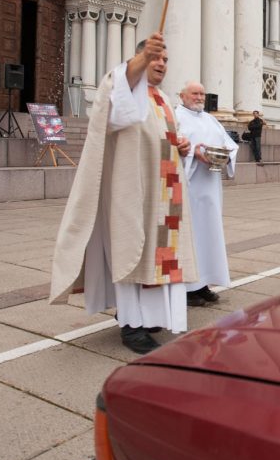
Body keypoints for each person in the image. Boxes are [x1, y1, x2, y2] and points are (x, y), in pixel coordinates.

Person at [49, 33, 197, 355]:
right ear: (139, 59)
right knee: (132, 251)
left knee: (156, 258)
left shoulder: (162, 99)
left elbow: (160, 136)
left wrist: (181, 146)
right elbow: (116, 107)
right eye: (155, 57)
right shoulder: (124, 89)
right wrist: (140, 61)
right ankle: (131, 324)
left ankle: (148, 317)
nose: (161, 64)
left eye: (165, 60)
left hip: (163, 195)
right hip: (133, 193)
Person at [175, 80, 238, 308]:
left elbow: (229, 144)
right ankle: (187, 288)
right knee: (191, 236)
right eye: (194, 93)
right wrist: (194, 153)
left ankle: (202, 283)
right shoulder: (176, 117)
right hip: (188, 187)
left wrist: (226, 155)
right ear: (182, 96)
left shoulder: (210, 119)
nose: (200, 97)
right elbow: (172, 146)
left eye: (202, 93)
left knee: (208, 235)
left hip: (210, 187)